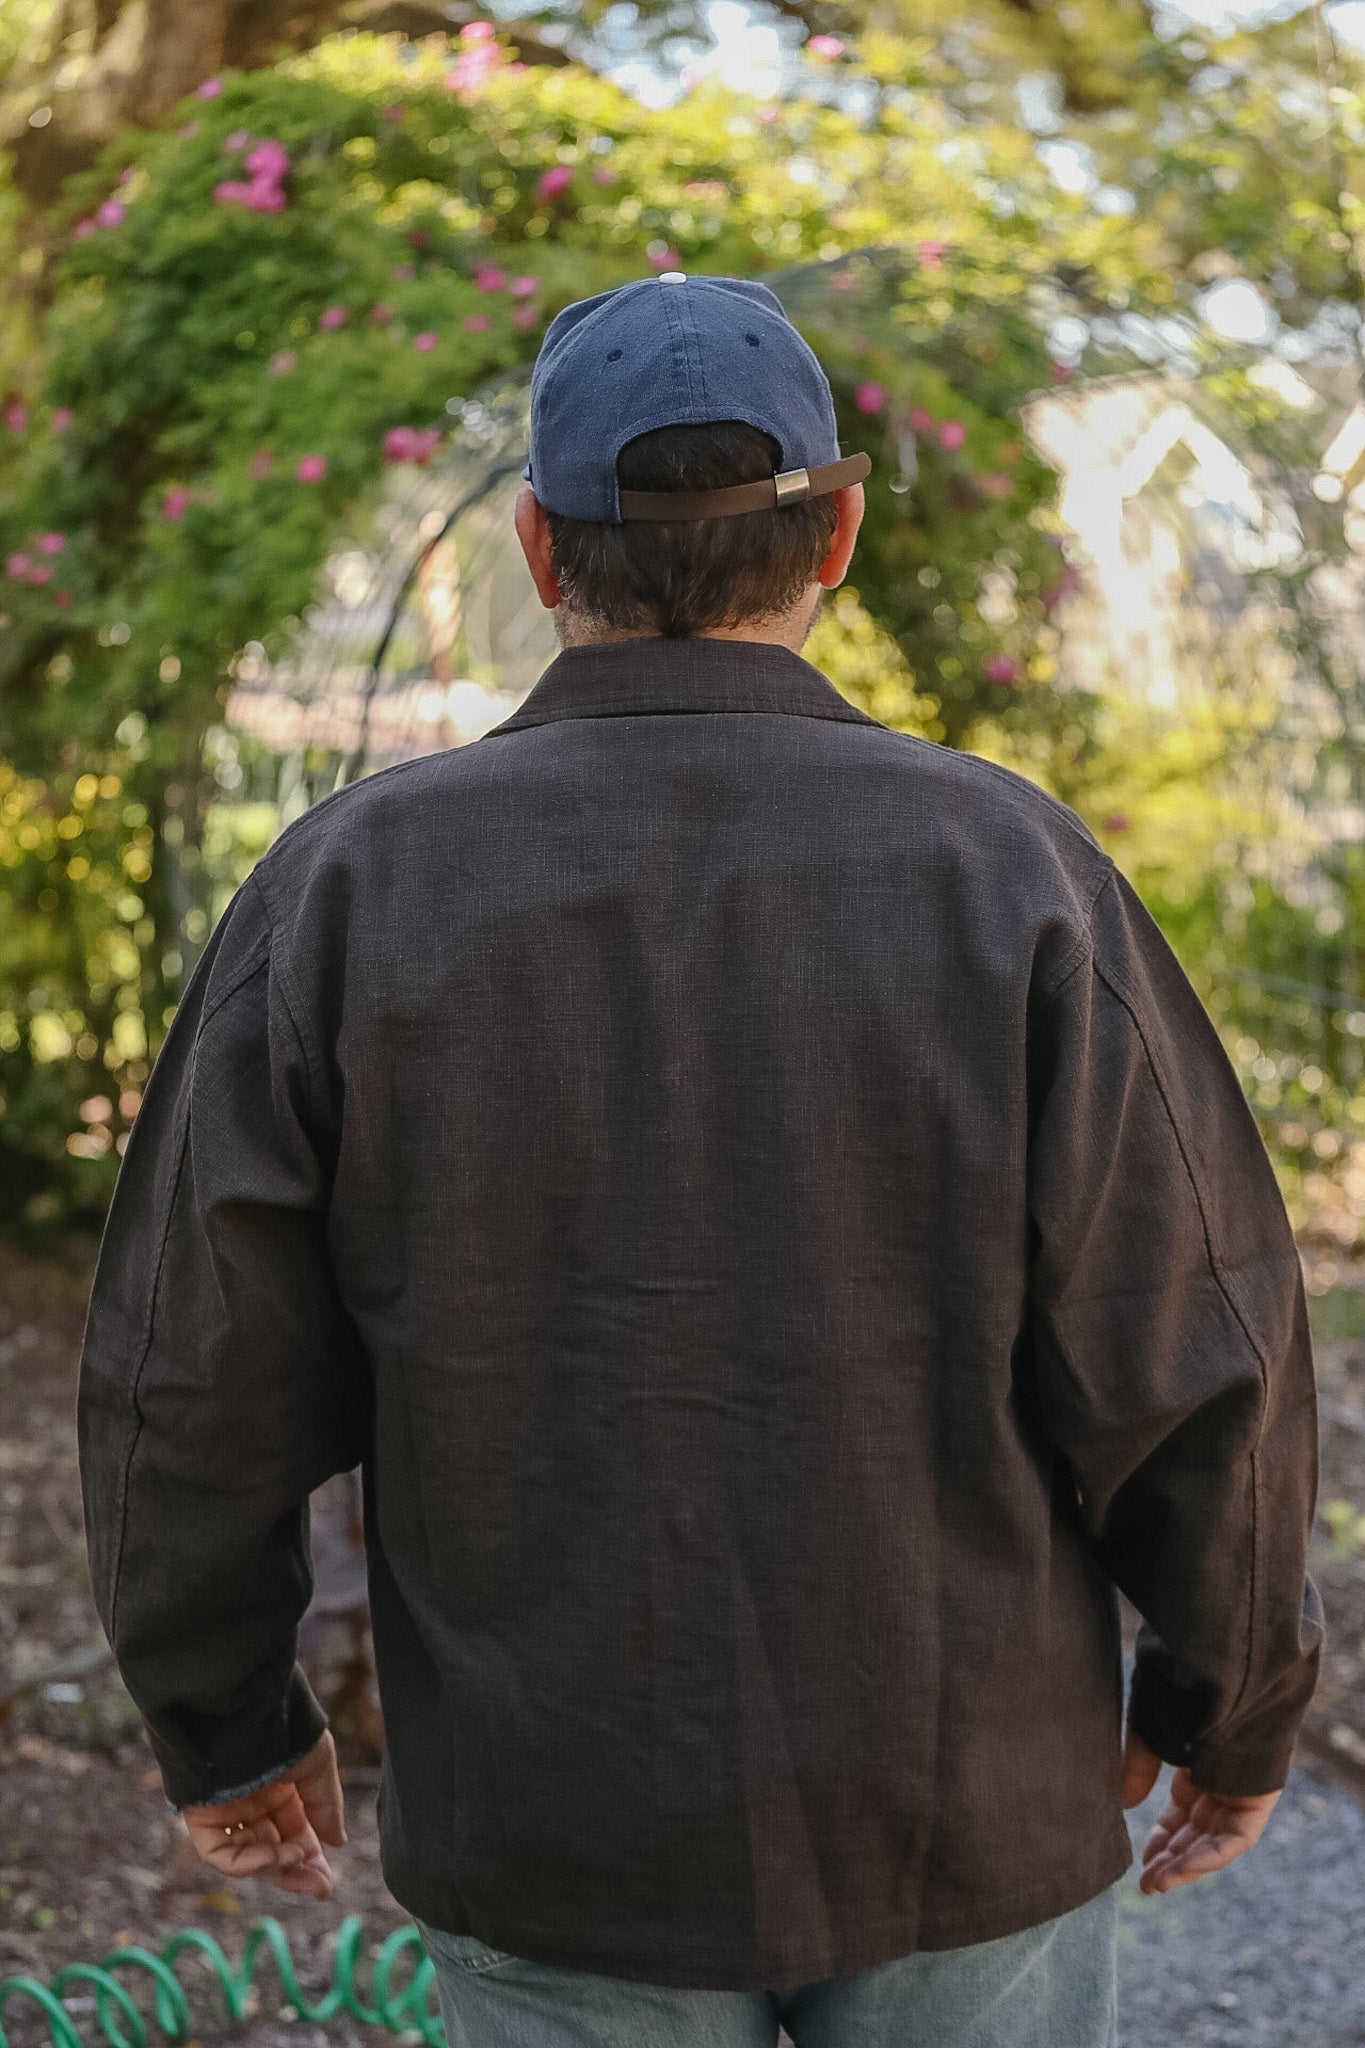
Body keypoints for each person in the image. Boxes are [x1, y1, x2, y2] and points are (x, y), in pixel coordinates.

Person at [77, 275, 1323, 2048]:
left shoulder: (348, 890)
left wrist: (222, 1719)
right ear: (835, 535)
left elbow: (179, 1377)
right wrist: (1231, 1702)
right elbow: (1201, 1341)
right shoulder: (1011, 873)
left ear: (533, 543)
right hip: (966, 1804)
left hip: (553, 1822)